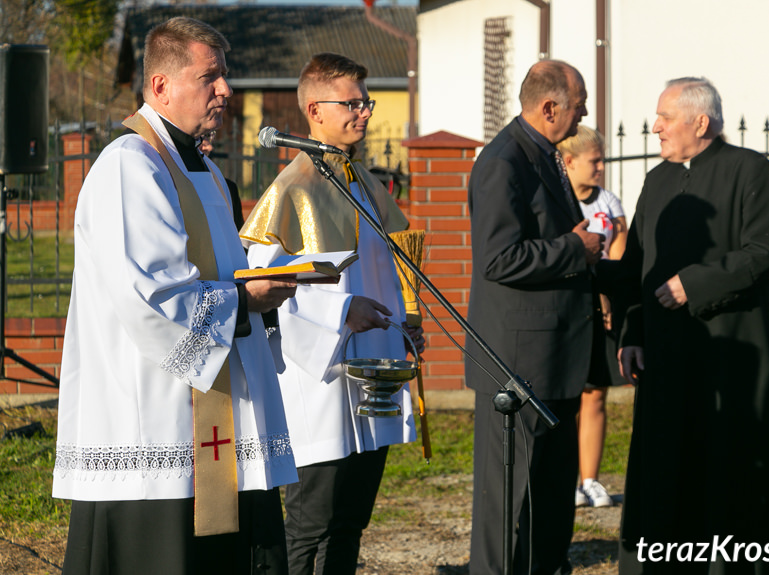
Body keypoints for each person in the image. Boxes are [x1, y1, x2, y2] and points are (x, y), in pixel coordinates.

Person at [52, 16, 299, 575]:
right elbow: (154, 298)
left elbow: (218, 276)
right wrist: (245, 302)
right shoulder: (129, 166)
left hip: (216, 428)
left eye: (226, 75)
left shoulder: (205, 171)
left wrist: (270, 284)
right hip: (153, 428)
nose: (226, 90)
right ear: (161, 86)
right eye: (210, 76)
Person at [240, 52, 422, 575]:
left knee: (350, 523)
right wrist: (342, 308)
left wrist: (406, 322)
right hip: (318, 383)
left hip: (371, 374)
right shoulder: (293, 189)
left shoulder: (362, 183)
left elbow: (387, 269)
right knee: (308, 528)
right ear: (315, 110)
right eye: (353, 103)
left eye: (367, 102)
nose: (364, 112)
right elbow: (263, 287)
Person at [610, 77, 769, 574]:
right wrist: (633, 333)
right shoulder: (657, 180)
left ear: (700, 121)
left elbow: (764, 251)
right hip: (667, 360)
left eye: (664, 118)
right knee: (671, 470)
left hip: (728, 356)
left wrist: (694, 283)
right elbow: (637, 269)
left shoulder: (749, 169)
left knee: (724, 473)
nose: (655, 128)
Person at [466, 59, 604, 575]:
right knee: (508, 506)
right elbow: (500, 258)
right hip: (517, 363)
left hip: (555, 358)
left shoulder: (543, 154)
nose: (586, 110)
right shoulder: (504, 161)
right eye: (580, 101)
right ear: (550, 108)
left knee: (549, 500)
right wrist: (575, 249)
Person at [557, 126, 627, 509]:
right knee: (567, 396)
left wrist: (605, 297)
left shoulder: (609, 202)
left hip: (602, 310)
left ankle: (590, 479)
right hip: (569, 311)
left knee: (596, 393)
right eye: (594, 160)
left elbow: (618, 255)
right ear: (570, 162)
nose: (601, 167)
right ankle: (566, 477)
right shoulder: (558, 201)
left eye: (602, 159)